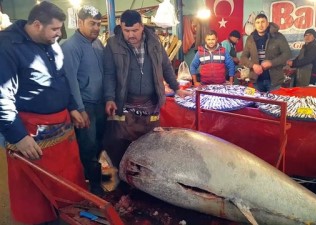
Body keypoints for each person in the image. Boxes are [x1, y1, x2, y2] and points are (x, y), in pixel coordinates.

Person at [0, 2, 87, 224]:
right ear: (37, 25)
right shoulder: (7, 46)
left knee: (67, 185)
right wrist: (18, 136)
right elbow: (3, 96)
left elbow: (60, 78)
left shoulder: (51, 42)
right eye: (55, 29)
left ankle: (66, 215)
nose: (59, 34)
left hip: (62, 127)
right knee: (37, 191)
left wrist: (72, 106)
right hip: (32, 131)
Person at [103, 10, 190, 167]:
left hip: (150, 104)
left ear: (142, 26)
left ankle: (144, 180)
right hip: (125, 104)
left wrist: (176, 88)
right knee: (122, 145)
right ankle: (125, 180)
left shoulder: (154, 42)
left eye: (134, 30)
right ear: (121, 27)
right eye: (126, 30)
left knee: (149, 145)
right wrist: (109, 98)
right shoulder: (113, 44)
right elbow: (108, 74)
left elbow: (166, 66)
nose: (130, 35)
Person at [61, 5, 106, 195]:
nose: (96, 28)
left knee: (99, 143)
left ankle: (93, 175)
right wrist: (79, 109)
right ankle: (93, 187)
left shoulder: (98, 44)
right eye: (91, 24)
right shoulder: (70, 47)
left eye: (98, 24)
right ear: (80, 23)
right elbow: (70, 81)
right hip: (85, 105)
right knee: (87, 146)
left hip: (100, 103)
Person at [240, 13, 291, 92]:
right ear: (254, 25)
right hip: (256, 81)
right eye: (258, 22)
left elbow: (287, 54)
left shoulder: (278, 37)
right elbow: (243, 57)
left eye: (263, 22)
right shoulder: (250, 38)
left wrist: (271, 63)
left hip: (274, 81)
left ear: (267, 23)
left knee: (274, 104)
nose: (260, 25)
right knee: (257, 103)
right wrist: (253, 65)